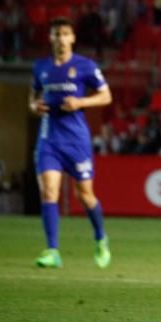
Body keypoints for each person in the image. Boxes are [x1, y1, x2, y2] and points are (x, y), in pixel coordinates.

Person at [29, 17, 113, 269]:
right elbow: (32, 97)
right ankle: (52, 250)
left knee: (84, 195)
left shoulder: (85, 66)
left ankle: (100, 238)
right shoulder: (41, 67)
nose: (61, 39)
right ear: (51, 38)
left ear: (73, 38)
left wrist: (81, 102)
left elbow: (106, 96)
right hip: (49, 138)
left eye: (65, 34)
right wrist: (34, 106)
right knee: (49, 191)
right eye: (57, 34)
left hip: (76, 140)